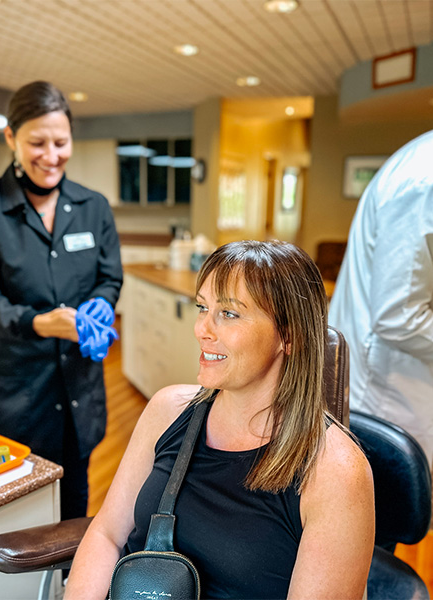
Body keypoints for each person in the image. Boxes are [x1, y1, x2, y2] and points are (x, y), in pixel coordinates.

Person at [65, 240, 374, 600]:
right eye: (202, 307)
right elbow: (107, 534)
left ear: (289, 335)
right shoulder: (167, 410)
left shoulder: (334, 471)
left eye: (228, 313)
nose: (202, 329)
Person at [0, 81, 123, 520]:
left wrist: (102, 303)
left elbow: (108, 278)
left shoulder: (93, 207)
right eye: (37, 142)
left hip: (77, 399)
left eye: (61, 142)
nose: (51, 156)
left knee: (71, 516)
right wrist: (40, 323)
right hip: (14, 401)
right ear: (11, 138)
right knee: (12, 520)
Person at [329, 129, 433, 465]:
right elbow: (398, 317)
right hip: (390, 389)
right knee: (393, 503)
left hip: (405, 383)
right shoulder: (423, 180)